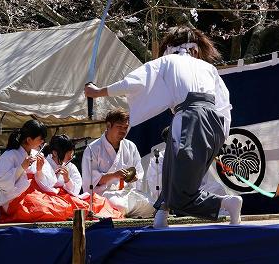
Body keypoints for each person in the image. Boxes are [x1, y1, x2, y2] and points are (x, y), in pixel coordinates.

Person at [85, 26, 240, 228]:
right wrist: (219, 136)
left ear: (170, 47)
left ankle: (226, 203)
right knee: (170, 168)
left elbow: (132, 83)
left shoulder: (167, 61)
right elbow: (225, 105)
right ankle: (162, 215)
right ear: (194, 49)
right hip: (216, 122)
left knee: (182, 193)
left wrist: (97, 92)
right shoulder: (208, 69)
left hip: (190, 119)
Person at [0, 119, 75, 222]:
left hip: (34, 194)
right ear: (28, 140)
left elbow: (50, 182)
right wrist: (21, 167)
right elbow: (0, 180)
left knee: (62, 206)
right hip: (15, 199)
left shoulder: (37, 154)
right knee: (46, 210)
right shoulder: (9, 155)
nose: (43, 142)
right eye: (40, 139)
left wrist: (39, 170)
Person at [81, 109, 154, 218]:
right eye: (119, 127)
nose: (123, 131)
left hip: (126, 192)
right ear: (109, 125)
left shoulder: (130, 146)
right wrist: (115, 175)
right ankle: (123, 214)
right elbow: (90, 180)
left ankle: (127, 215)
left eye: (125, 128)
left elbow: (139, 171)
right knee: (119, 206)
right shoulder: (92, 149)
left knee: (151, 205)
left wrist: (134, 177)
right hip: (104, 194)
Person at [44, 134, 122, 219]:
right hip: (51, 198)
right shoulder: (44, 164)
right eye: (67, 154)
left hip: (68, 198)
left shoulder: (70, 167)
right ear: (55, 153)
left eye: (71, 153)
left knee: (96, 201)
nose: (70, 157)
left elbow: (76, 189)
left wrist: (67, 179)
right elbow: (42, 185)